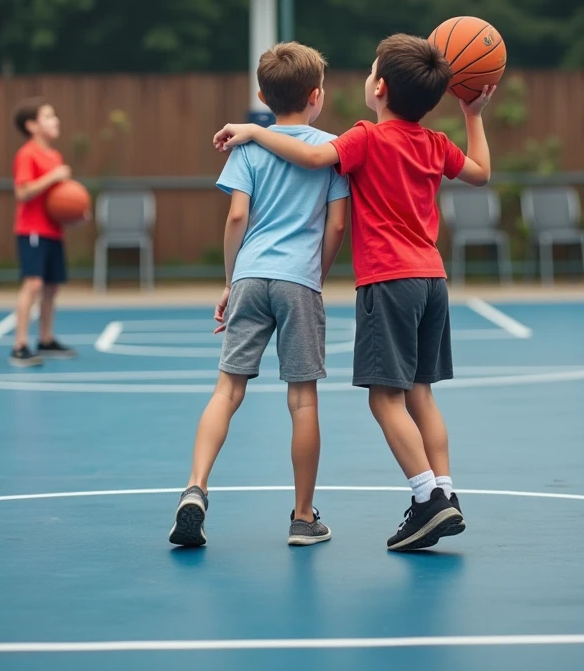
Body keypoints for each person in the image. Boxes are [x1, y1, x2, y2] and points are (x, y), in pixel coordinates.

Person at [212, 33, 496, 552]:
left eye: (368, 73)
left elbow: (310, 156)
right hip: (433, 280)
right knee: (421, 393)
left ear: (380, 88)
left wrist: (255, 130)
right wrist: (472, 115)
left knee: (385, 400)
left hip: (389, 280)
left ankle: (428, 497)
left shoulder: (367, 136)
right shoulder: (436, 143)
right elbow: (480, 174)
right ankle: (446, 491)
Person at [169, 43, 349, 549]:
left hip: (250, 275)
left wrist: (231, 280)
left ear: (261, 95)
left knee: (226, 391)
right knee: (302, 400)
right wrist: (317, 272)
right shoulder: (332, 148)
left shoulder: (249, 147)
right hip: (299, 280)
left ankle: (195, 489)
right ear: (316, 96)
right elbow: (337, 224)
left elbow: (236, 218)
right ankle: (303, 516)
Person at [11, 98, 79, 368]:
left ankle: (46, 339)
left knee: (51, 287)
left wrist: (74, 214)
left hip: (53, 230)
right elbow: (22, 191)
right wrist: (53, 177)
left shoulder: (55, 156)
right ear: (31, 125)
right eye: (49, 116)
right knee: (34, 284)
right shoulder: (27, 154)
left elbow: (58, 201)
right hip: (32, 231)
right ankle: (19, 345)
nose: (56, 121)